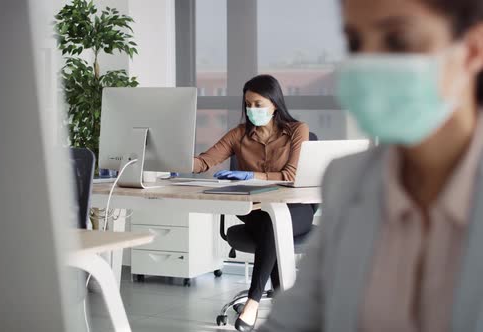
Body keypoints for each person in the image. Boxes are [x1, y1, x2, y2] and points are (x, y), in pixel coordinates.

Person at [260, 0, 483, 331]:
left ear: (471, 50)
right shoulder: (346, 180)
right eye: (355, 43)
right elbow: (292, 321)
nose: (368, 63)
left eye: (397, 40)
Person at [193, 74, 313, 332]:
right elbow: (204, 161)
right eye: (248, 104)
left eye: (258, 104)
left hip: (297, 208)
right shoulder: (239, 134)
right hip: (255, 210)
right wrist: (173, 159)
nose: (251, 110)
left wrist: (251, 175)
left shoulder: (296, 130)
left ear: (275, 104)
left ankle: (253, 301)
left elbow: (291, 175)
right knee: (270, 221)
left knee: (274, 221)